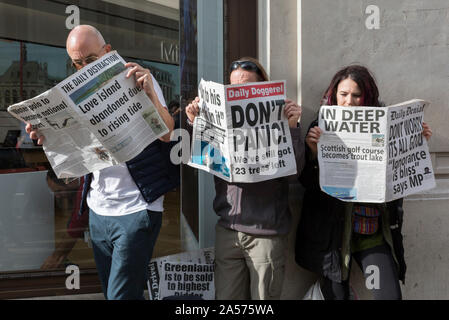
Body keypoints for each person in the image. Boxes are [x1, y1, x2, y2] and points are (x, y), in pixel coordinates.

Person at [26, 25, 175, 300]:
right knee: (116, 294)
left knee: (120, 296)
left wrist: (151, 92)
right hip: (98, 209)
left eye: (91, 60)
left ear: (108, 52)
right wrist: (46, 135)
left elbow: (167, 134)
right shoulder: (72, 96)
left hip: (137, 207)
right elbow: (74, 154)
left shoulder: (138, 79)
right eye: (77, 63)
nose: (84, 68)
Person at [295, 65, 433, 300]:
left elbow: (400, 174)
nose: (349, 101)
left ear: (367, 96)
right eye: (343, 94)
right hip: (334, 239)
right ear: (334, 94)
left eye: (356, 95)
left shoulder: (386, 124)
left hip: (370, 233)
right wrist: (314, 153)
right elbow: (307, 182)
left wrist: (414, 141)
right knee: (337, 296)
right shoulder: (321, 127)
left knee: (388, 296)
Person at [185, 57, 305, 300]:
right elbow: (206, 161)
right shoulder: (220, 117)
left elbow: (296, 173)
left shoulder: (283, 117)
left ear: (263, 87)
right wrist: (194, 122)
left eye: (248, 87)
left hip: (266, 233)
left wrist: (292, 127)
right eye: (234, 88)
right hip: (228, 229)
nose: (241, 93)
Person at [42, 170, 88, 270]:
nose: (57, 196)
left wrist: (55, 258)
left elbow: (76, 224)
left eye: (58, 190)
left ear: (71, 182)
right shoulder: (81, 185)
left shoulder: (85, 187)